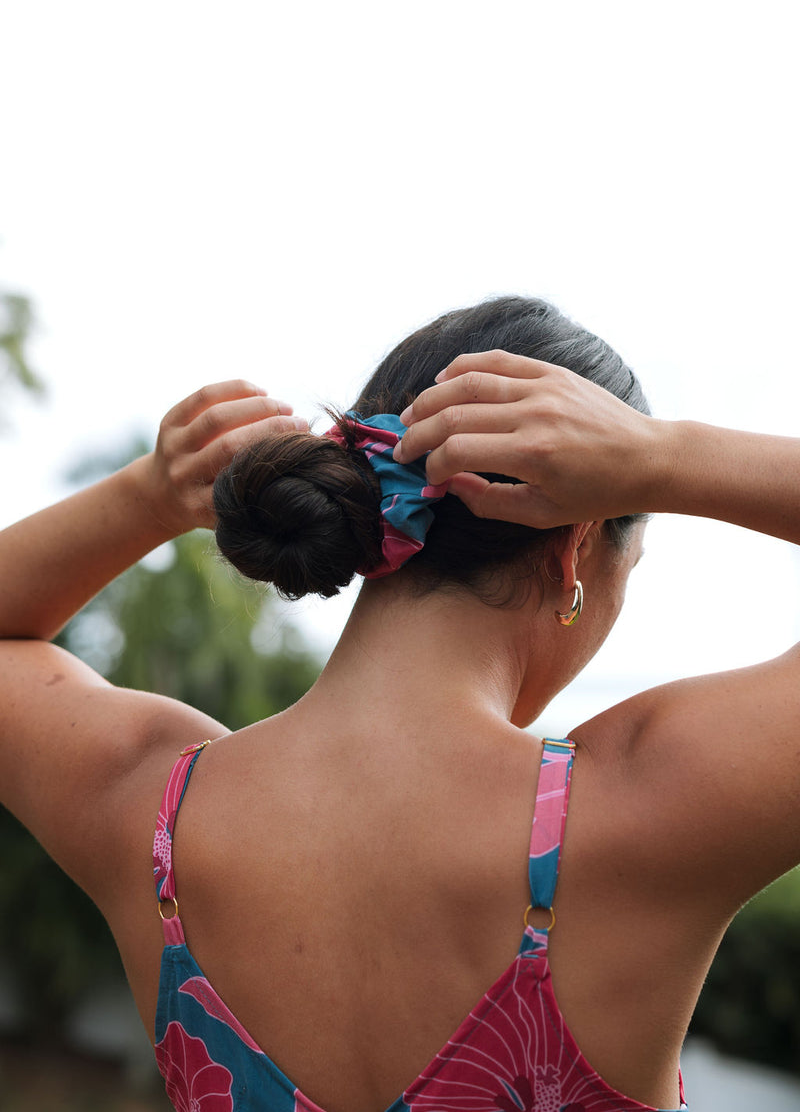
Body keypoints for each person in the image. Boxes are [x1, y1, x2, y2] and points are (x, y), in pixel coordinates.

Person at [1, 295, 798, 1112]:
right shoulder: (652, 802)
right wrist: (668, 456)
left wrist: (148, 496)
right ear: (576, 549)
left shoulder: (152, 808)